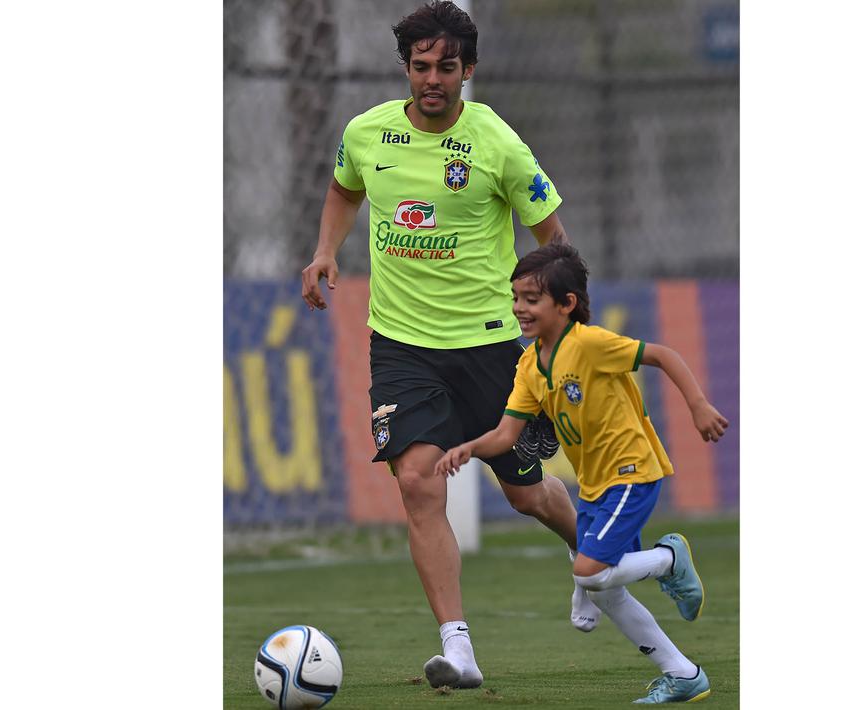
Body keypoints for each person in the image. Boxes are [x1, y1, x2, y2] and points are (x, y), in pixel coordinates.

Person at [300, 0, 597, 690]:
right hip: (401, 345)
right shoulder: (367, 133)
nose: (432, 79)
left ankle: (600, 562)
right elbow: (344, 189)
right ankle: (457, 649)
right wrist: (323, 251)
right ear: (406, 67)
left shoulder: (496, 142)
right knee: (414, 479)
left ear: (469, 70)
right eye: (421, 66)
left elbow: (553, 237)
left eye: (446, 68)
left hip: (492, 349)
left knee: (526, 495)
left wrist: (559, 325)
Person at [435, 243, 730, 704]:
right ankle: (683, 673)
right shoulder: (531, 365)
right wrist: (468, 449)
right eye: (515, 297)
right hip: (595, 485)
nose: (519, 308)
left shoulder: (589, 344)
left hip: (631, 472)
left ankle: (671, 558)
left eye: (531, 299)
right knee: (607, 589)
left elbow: (664, 355)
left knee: (592, 573)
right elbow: (506, 433)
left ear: (566, 304)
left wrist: (698, 406)